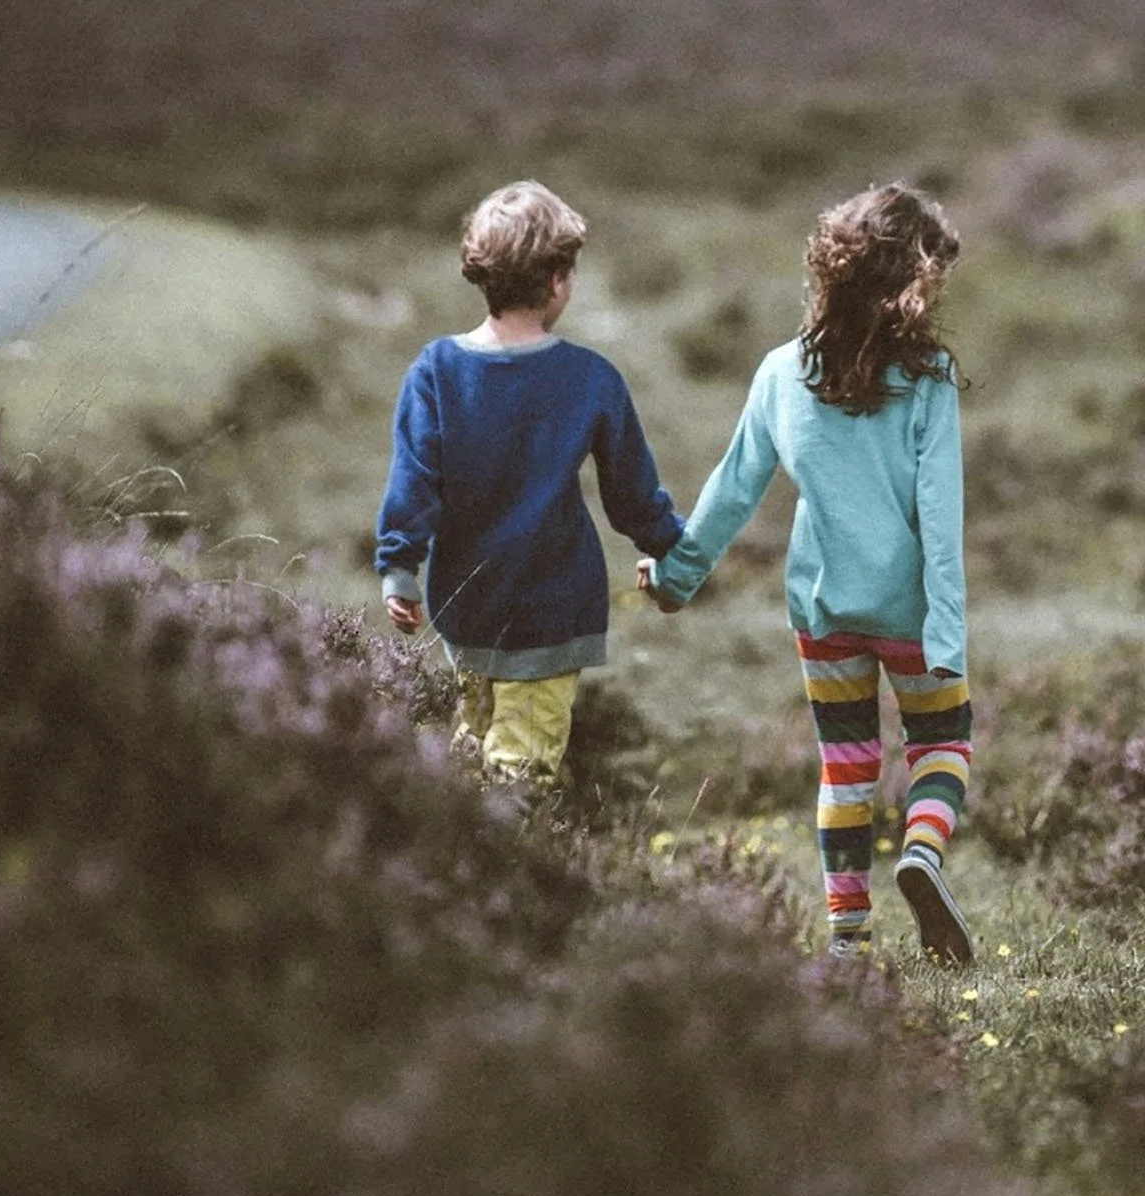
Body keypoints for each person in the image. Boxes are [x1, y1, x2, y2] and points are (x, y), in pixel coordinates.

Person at [641, 182, 973, 966]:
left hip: (822, 608)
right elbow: (941, 513)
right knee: (942, 743)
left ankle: (848, 941)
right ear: (908, 285)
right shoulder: (928, 378)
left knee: (846, 765)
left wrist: (677, 576)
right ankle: (921, 852)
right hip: (908, 611)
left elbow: (730, 490)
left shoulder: (778, 374)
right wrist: (946, 631)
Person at [377, 179, 683, 785]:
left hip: (466, 605)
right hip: (554, 607)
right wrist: (673, 549)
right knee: (519, 773)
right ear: (558, 279)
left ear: (480, 273)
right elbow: (632, 495)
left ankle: (463, 866)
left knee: (471, 757)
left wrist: (399, 568)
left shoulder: (435, 371)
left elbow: (413, 481)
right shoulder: (592, 378)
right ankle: (498, 867)